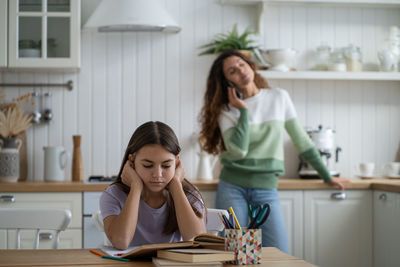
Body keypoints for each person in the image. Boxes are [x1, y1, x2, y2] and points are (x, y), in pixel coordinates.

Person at [198, 50, 348, 253]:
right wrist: (243, 111)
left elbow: (301, 141)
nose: (240, 71)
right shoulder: (226, 111)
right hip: (233, 187)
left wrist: (327, 176)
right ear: (227, 82)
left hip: (266, 188)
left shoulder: (279, 97)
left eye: (241, 64)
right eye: (232, 71)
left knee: (278, 252)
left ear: (251, 65)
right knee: (236, 253)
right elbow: (239, 151)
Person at [100, 121, 207, 250]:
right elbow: (121, 241)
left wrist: (176, 186)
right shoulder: (113, 194)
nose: (157, 174)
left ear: (177, 163)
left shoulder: (189, 194)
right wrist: (136, 187)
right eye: (148, 165)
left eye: (166, 166)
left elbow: (197, 242)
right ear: (132, 162)